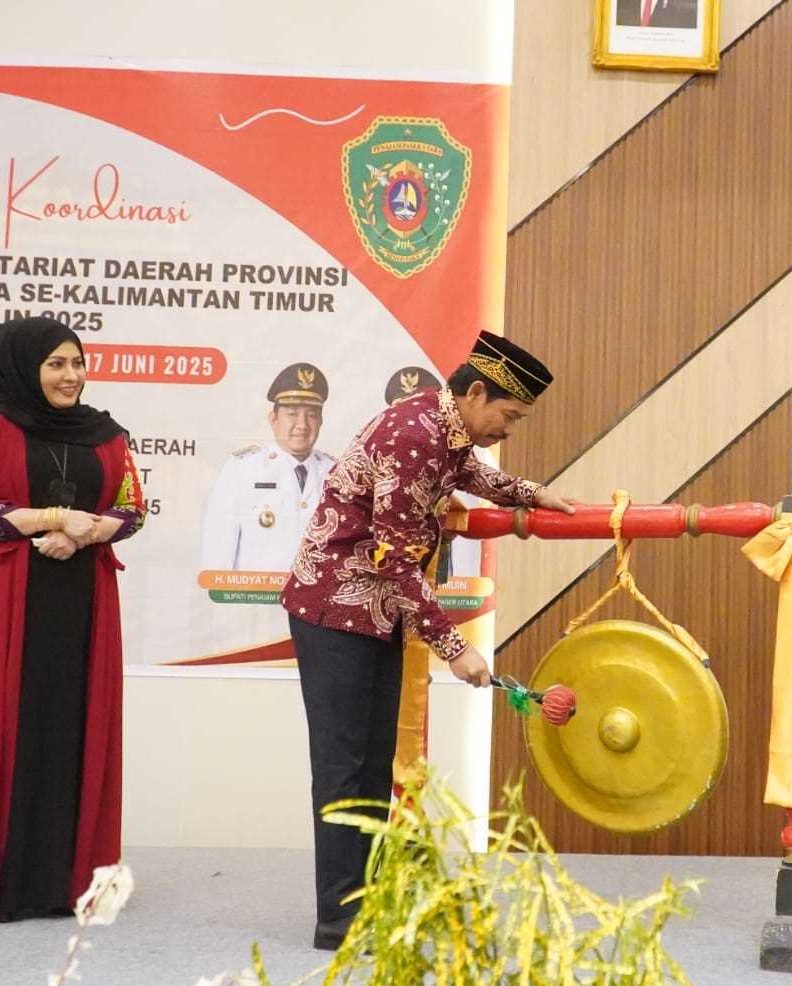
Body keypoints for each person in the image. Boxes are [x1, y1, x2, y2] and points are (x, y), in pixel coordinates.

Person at [281, 330, 574, 950]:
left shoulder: (444, 427)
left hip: (376, 612)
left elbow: (470, 473)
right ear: (476, 393)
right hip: (334, 610)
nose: (508, 429)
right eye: (509, 415)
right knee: (342, 767)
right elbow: (393, 558)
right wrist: (456, 649)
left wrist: (531, 495)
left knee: (373, 762)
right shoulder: (412, 434)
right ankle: (338, 917)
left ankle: (367, 899)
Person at [0, 316, 146, 920]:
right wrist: (52, 517)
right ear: (24, 368)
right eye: (56, 364)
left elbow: (132, 508)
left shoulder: (106, 433)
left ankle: (67, 879)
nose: (72, 376)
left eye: (77, 362)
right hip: (4, 601)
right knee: (3, 724)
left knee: (74, 726)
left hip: (83, 602)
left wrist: (84, 533)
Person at [200, 363, 335, 571]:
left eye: (311, 415)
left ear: (321, 421)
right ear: (273, 419)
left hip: (315, 591)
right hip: (257, 591)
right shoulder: (243, 469)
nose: (302, 425)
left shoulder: (336, 472)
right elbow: (218, 550)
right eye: (292, 414)